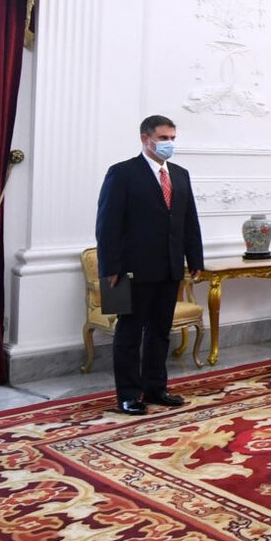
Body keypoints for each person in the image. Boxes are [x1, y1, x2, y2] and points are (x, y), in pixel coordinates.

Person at [97, 115, 204, 416]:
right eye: (163, 138)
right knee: (129, 334)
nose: (169, 144)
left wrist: (195, 258)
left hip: (169, 268)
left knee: (160, 331)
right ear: (146, 139)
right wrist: (109, 268)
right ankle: (129, 394)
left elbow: (189, 220)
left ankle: (156, 388)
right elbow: (107, 225)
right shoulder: (122, 173)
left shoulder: (180, 174)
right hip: (129, 271)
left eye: (172, 138)